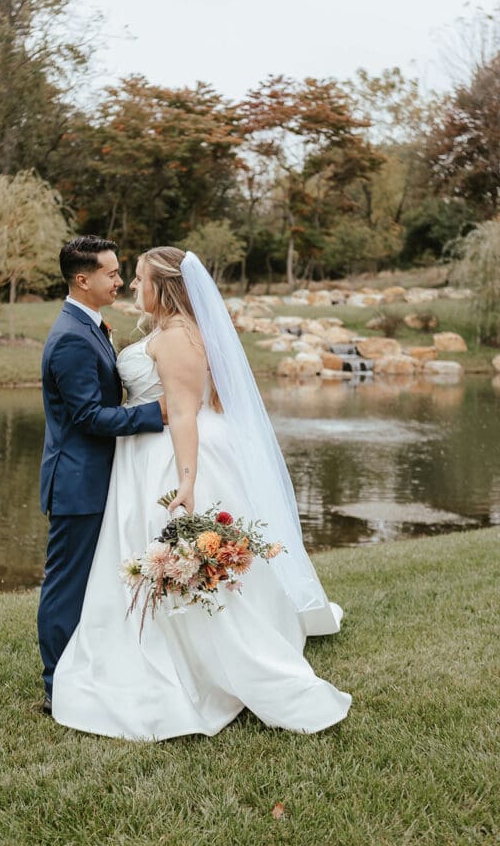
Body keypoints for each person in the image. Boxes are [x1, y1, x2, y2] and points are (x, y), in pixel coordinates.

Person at [52, 246, 352, 739]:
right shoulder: (169, 331)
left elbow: (185, 413)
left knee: (172, 553)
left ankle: (193, 661)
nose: (131, 285)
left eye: (140, 278)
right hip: (145, 453)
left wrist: (187, 483)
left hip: (168, 458)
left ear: (163, 287)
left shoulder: (175, 339)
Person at [37, 236, 166, 714]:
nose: (119, 280)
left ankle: (87, 669)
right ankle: (56, 687)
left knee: (88, 583)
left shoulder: (88, 325)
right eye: (112, 274)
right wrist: (159, 413)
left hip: (96, 477)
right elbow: (90, 417)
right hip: (77, 483)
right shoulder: (71, 337)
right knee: (66, 586)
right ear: (82, 279)